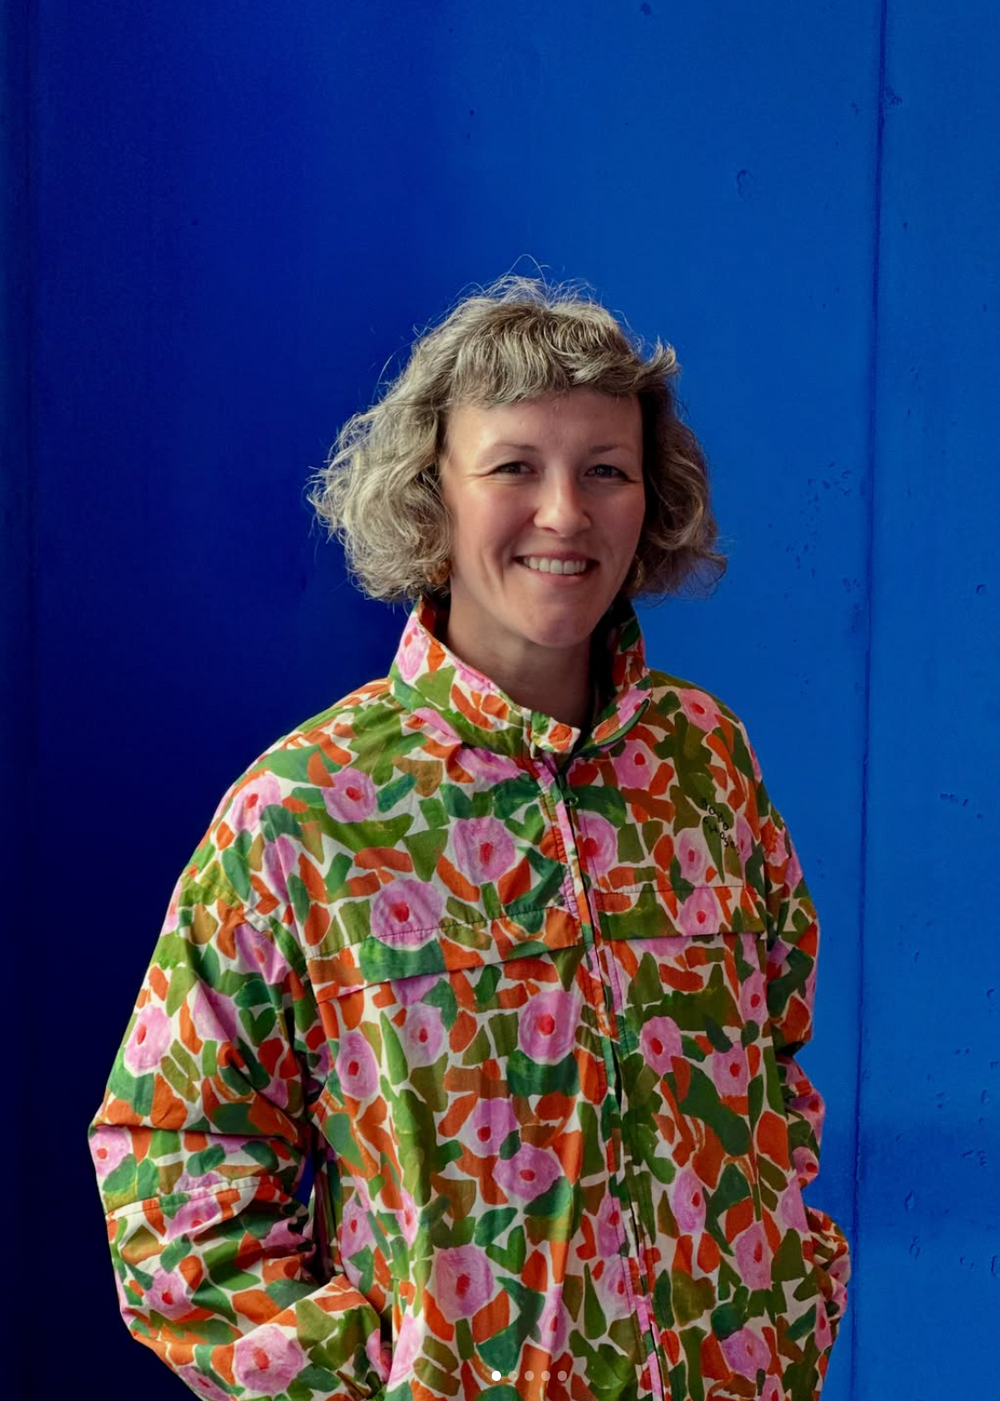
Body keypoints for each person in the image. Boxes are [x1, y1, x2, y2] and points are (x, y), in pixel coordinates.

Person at [90, 276, 850, 1401]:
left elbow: (770, 1049)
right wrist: (366, 1380)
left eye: (606, 470)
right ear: (430, 496)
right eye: (513, 468)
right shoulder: (305, 811)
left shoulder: (703, 764)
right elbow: (169, 1162)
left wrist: (793, 1287)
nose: (564, 513)